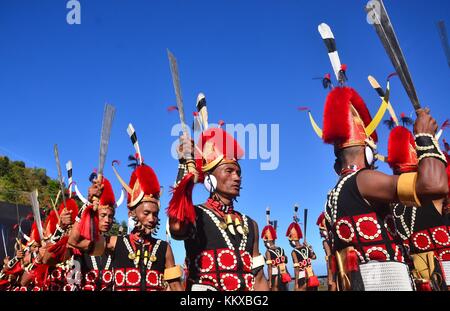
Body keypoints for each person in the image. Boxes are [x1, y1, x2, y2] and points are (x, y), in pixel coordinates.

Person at [320, 84, 448, 290]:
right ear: (368, 150)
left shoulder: (336, 193)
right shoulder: (364, 181)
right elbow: (434, 185)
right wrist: (425, 136)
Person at [168, 124, 269, 291]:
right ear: (210, 177)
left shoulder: (251, 225)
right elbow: (177, 227)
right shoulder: (195, 215)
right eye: (229, 171)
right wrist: (183, 167)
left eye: (238, 172)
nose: (236, 177)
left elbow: (259, 279)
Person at [387, 122, 448, 290]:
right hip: (427, 278)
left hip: (414, 279)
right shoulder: (434, 196)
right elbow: (438, 180)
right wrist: (427, 140)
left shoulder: (387, 205)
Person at [286, 207, 318, 291]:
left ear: (291, 240)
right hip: (312, 275)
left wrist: (296, 283)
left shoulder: (294, 252)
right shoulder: (306, 247)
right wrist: (309, 248)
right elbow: (314, 257)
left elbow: (297, 269)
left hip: (302, 277)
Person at [262, 207, 290, 291]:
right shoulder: (281, 249)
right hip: (284, 274)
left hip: (275, 275)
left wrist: (270, 281)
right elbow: (286, 260)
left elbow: (269, 268)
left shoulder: (268, 251)